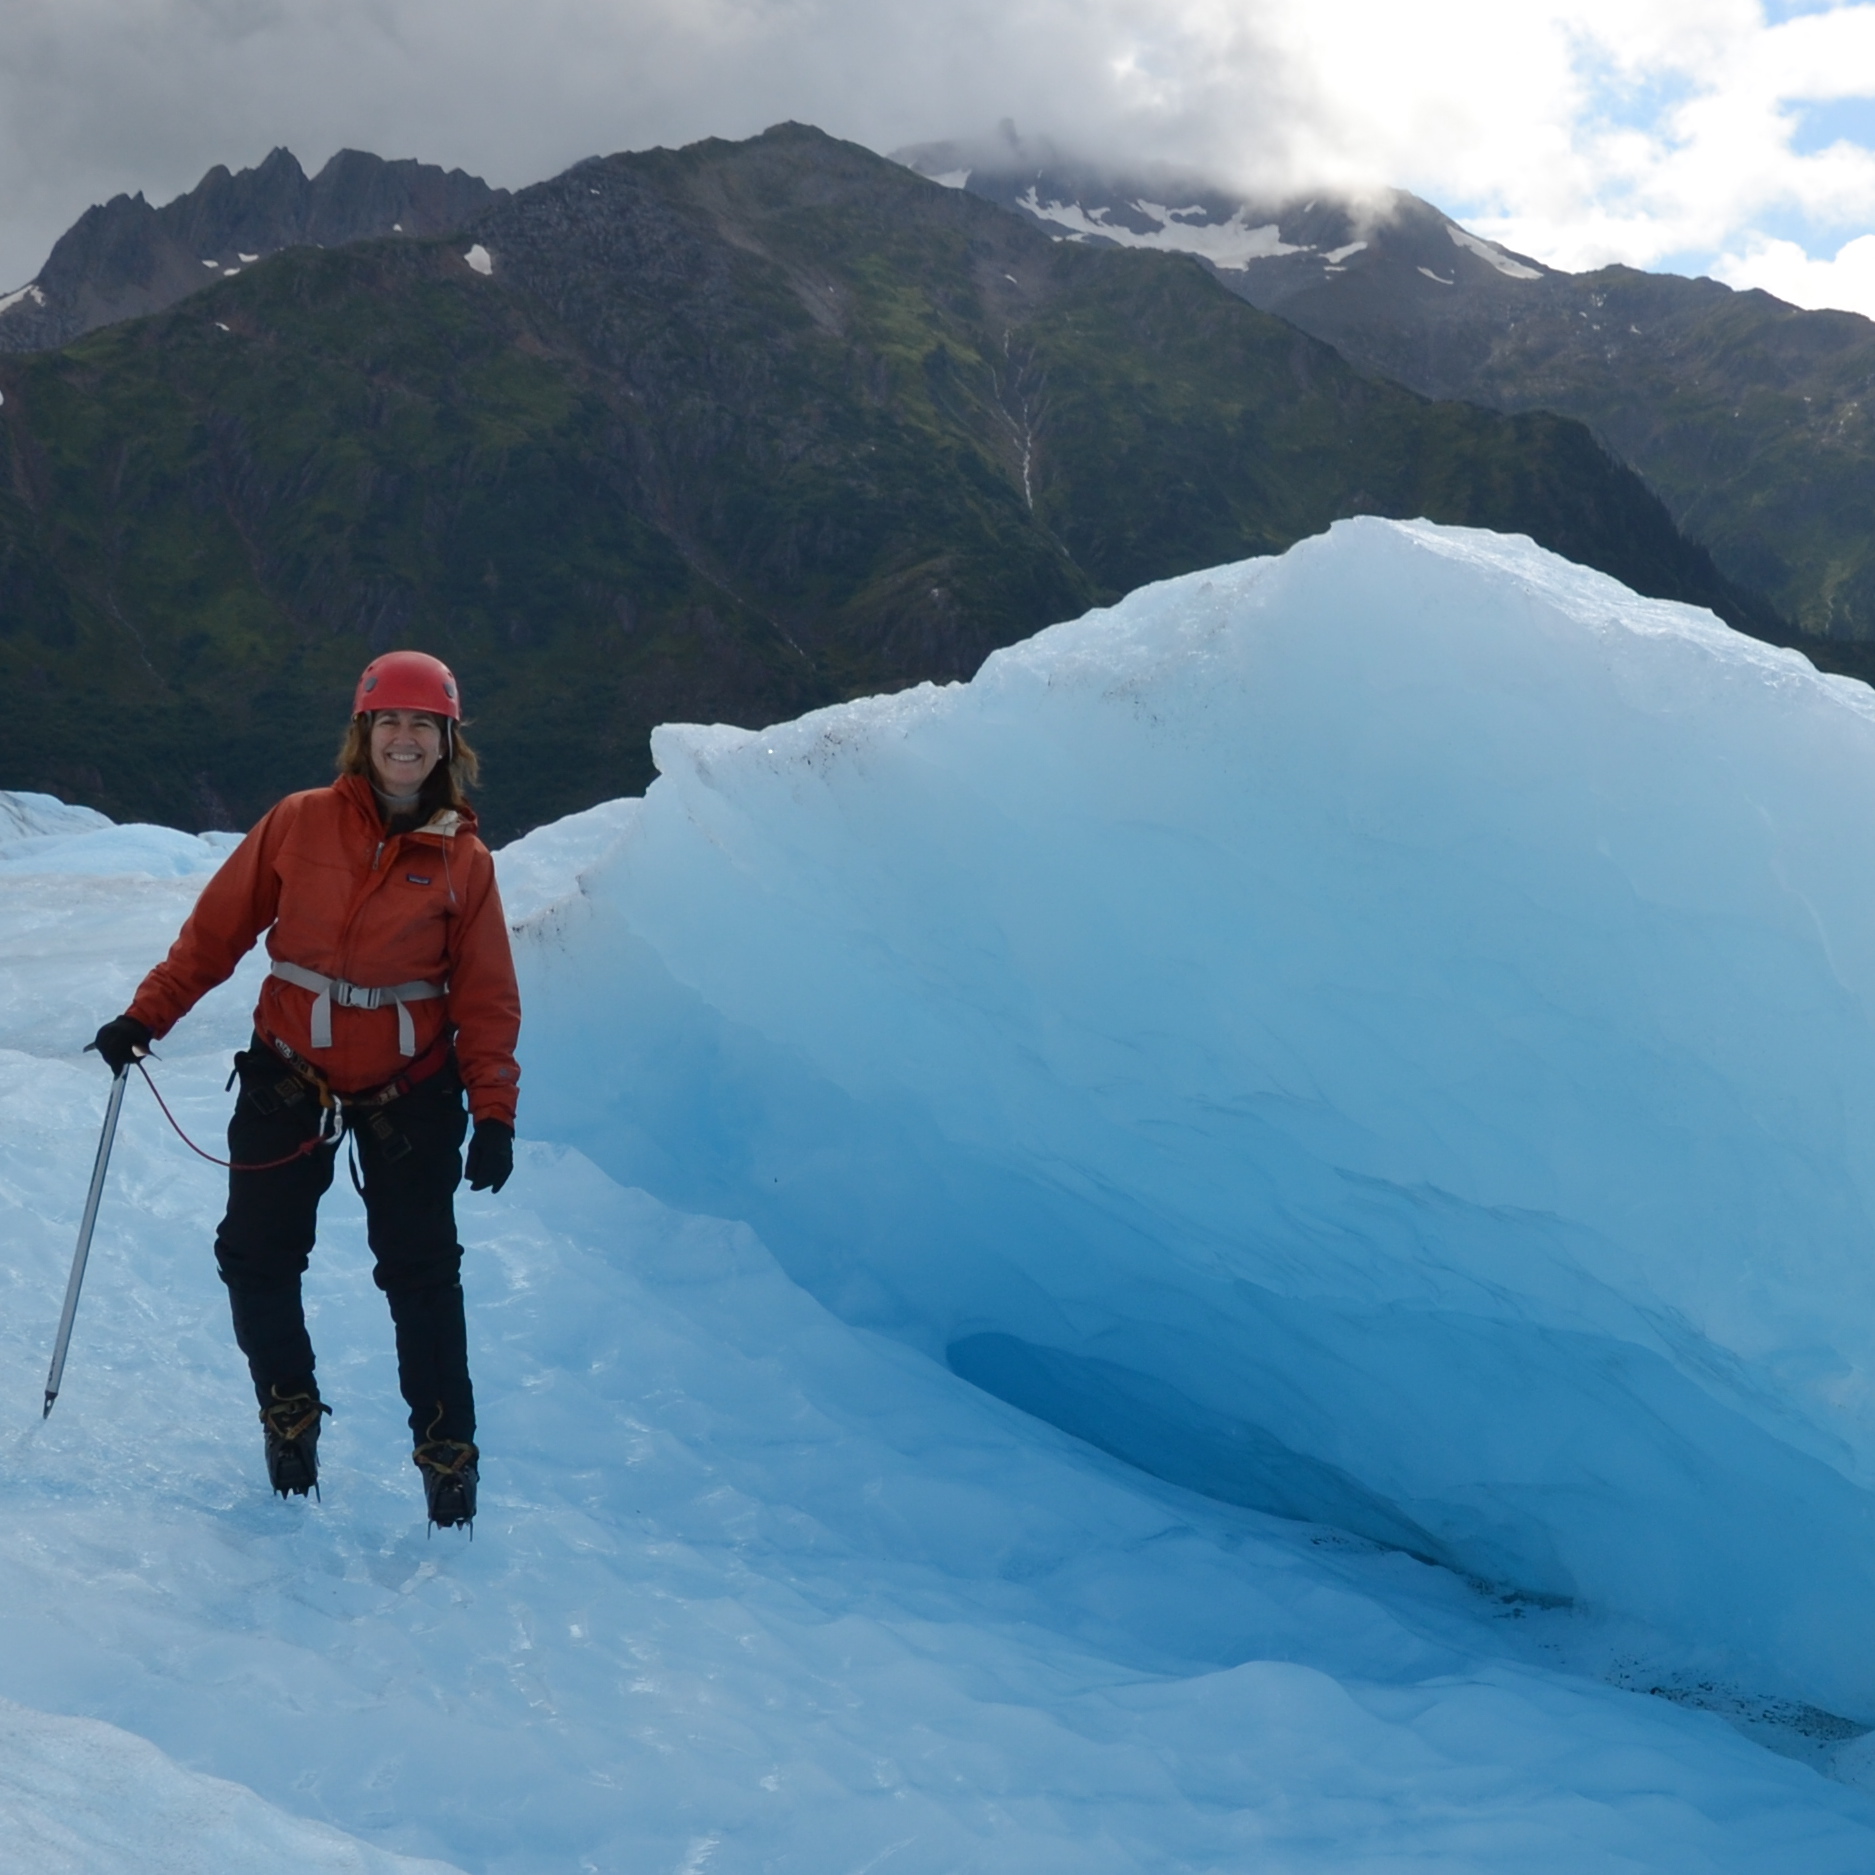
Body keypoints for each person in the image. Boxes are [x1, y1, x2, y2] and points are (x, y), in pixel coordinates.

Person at [90, 652, 521, 1528]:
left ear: (447, 742)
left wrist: (495, 1113)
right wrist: (147, 1017)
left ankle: (447, 1452)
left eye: (423, 725)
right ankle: (288, 1410)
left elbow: (485, 997)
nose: (405, 738)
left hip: (411, 1089)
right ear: (364, 734)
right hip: (290, 1071)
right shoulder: (299, 822)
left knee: (421, 1274)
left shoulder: (462, 863)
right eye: (389, 722)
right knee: (255, 1253)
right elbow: (217, 933)